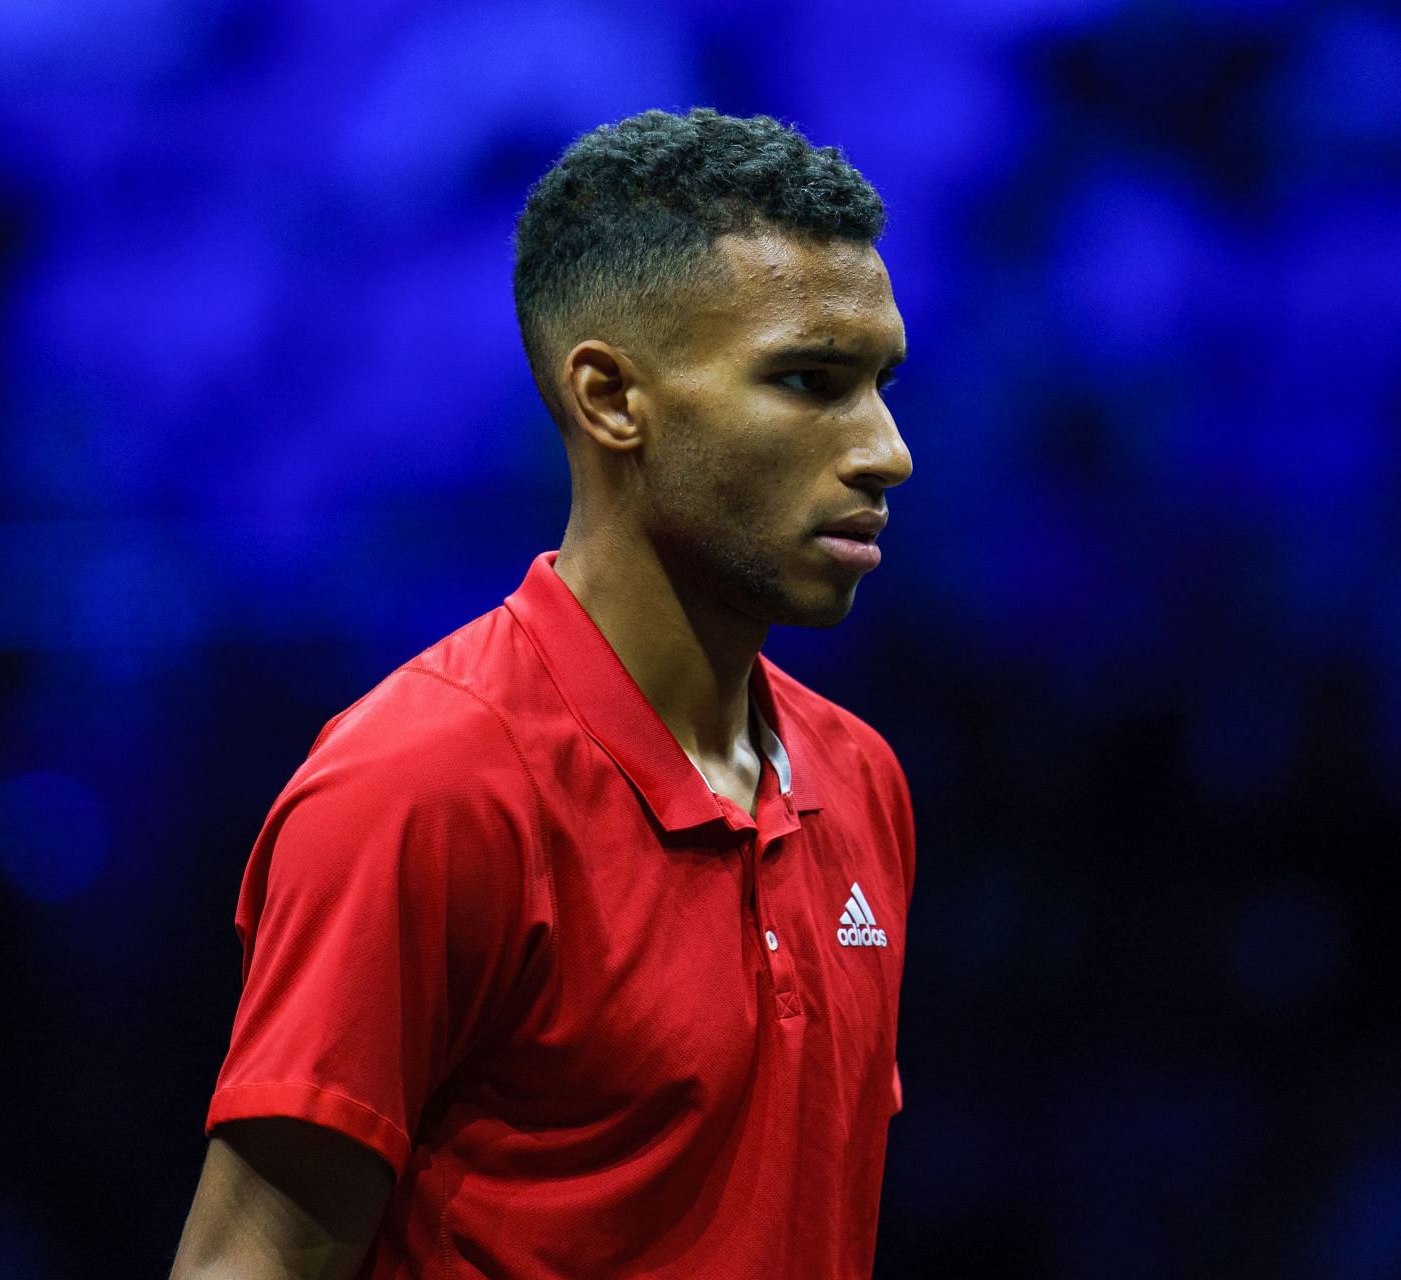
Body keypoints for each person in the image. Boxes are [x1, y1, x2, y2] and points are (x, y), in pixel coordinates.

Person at [169, 106, 916, 1279]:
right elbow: (248, 1262)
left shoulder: (861, 779)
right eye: (810, 380)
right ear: (612, 399)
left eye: (880, 381)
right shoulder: (418, 783)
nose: (885, 448)